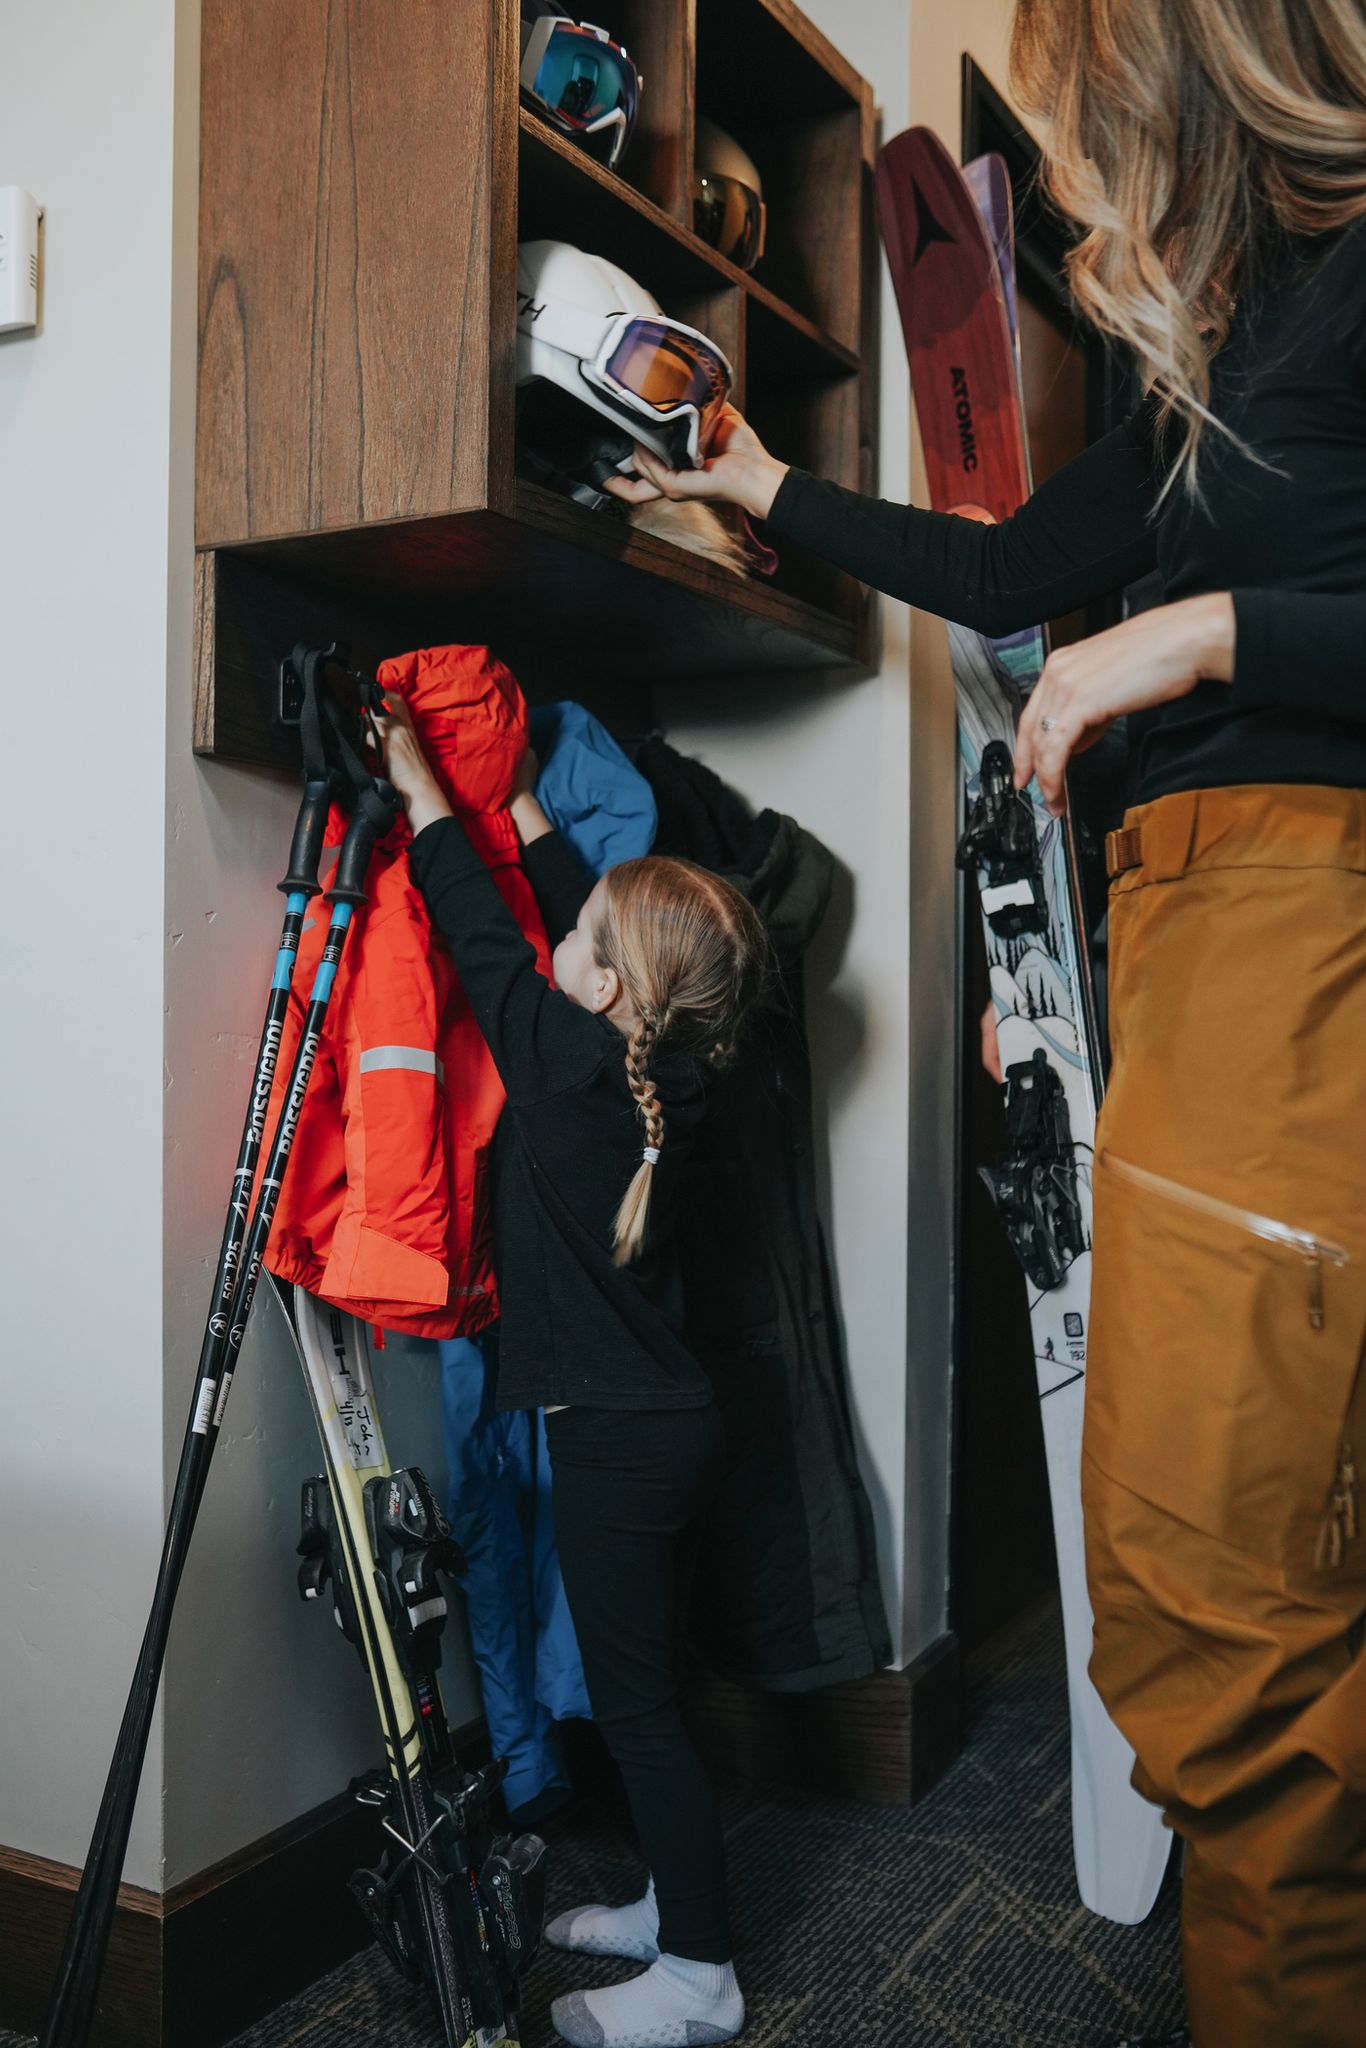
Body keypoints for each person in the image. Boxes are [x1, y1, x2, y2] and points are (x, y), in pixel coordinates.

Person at [606, 5, 1366, 2044]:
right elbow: (1010, 555)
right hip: (1194, 951)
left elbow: (1178, 611)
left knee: (1228, 1636)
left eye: (1110, 105)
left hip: (1303, 936)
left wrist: (1211, 632)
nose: (1108, 165)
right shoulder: (1236, 358)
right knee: (1190, 1591)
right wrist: (763, 474)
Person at [376, 688, 767, 2048]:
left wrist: (426, 794)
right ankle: (674, 1909)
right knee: (652, 1676)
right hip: (672, 1427)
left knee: (643, 1710)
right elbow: (556, 923)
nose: (561, 938)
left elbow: (487, 939)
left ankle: (701, 1978)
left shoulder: (551, 1062)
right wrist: (527, 805)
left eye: (581, 938)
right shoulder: (665, 1073)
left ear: (601, 986)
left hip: (616, 1443)